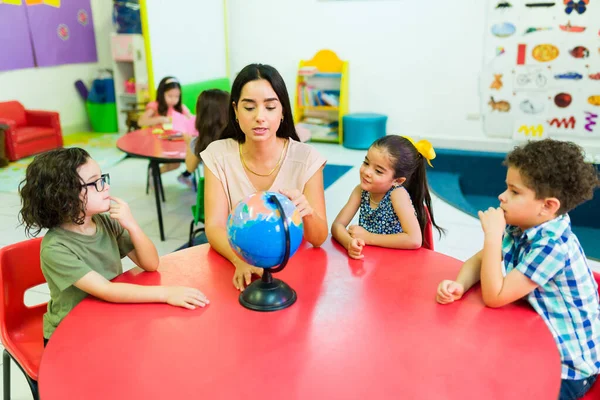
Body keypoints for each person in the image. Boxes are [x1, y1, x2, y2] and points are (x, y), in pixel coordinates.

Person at [435, 139, 600, 400]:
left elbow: (494, 296)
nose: (502, 196)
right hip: (535, 341)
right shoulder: (522, 224)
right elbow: (478, 262)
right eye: (506, 187)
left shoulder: (553, 246)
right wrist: (460, 285)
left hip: (568, 368)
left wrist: (492, 236)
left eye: (514, 191)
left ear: (548, 206)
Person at [18, 148, 209, 344]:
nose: (106, 187)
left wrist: (132, 225)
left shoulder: (105, 222)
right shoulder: (55, 248)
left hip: (108, 313)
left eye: (103, 179)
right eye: (96, 183)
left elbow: (151, 263)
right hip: (70, 332)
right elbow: (106, 290)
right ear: (64, 197)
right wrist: (167, 293)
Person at [200, 63, 328, 291]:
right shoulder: (218, 155)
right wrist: (240, 259)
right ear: (236, 111)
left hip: (295, 272)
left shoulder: (307, 158)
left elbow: (318, 238)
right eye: (249, 108)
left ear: (282, 112)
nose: (260, 117)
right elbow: (214, 226)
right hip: (237, 268)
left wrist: (306, 211)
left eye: (270, 107)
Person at [331, 135, 443, 259]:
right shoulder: (360, 191)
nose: (367, 172)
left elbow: (414, 240)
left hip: (397, 262)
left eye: (378, 171)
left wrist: (368, 237)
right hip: (370, 261)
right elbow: (337, 225)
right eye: (366, 163)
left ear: (398, 181)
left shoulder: (397, 194)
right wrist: (349, 243)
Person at [138, 76, 194, 174]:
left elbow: (191, 119)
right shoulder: (155, 106)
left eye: (177, 97)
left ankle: (185, 176)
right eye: (170, 96)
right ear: (161, 94)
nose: (173, 100)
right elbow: (141, 122)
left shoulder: (180, 107)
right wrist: (159, 119)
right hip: (158, 144)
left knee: (189, 157)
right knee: (176, 163)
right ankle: (155, 174)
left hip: (176, 142)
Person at [177, 89, 229, 188]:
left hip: (214, 193)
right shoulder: (239, 136)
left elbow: (190, 167)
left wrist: (188, 143)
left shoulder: (201, 142)